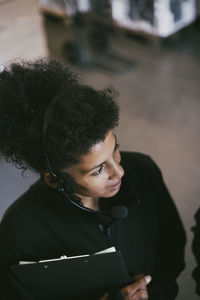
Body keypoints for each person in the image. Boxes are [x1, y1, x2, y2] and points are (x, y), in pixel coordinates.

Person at [0, 59, 186, 300]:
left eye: (115, 149)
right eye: (98, 170)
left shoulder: (144, 171)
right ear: (55, 180)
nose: (119, 171)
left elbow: (171, 251)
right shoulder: (19, 236)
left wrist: (156, 293)